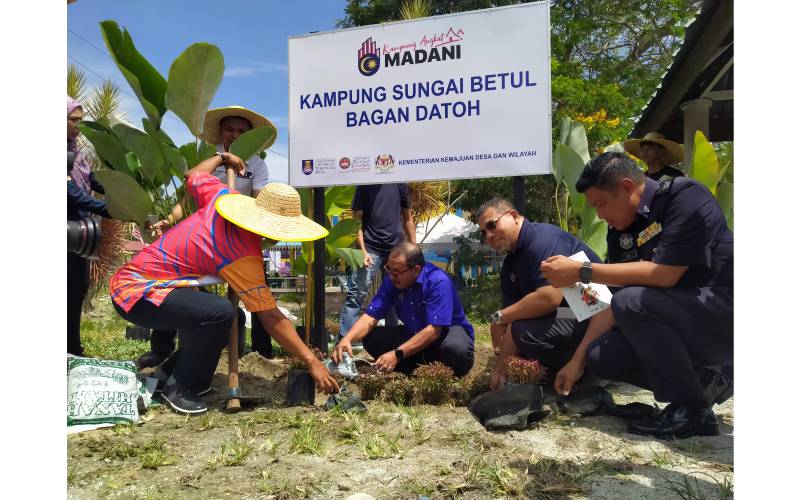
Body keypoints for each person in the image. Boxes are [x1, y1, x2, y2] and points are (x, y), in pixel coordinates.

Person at [109, 152, 338, 414]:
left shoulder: (223, 197)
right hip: (137, 293)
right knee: (221, 312)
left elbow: (193, 176)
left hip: (148, 287)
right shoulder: (242, 255)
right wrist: (310, 360)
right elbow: (270, 316)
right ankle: (181, 386)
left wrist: (220, 158)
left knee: (234, 318)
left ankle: (166, 374)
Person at [541, 152, 733, 439]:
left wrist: (582, 272)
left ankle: (692, 410)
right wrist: (577, 361)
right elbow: (612, 304)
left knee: (632, 301)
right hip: (679, 322)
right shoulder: (621, 233)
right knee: (602, 355)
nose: (601, 215)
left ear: (628, 187)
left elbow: (664, 275)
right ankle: (705, 384)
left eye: (602, 204)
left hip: (722, 317)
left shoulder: (685, 197)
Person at [138, 106, 278, 369]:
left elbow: (258, 200)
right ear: (221, 133)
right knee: (178, 286)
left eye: (241, 131)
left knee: (258, 290)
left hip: (236, 238)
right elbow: (188, 192)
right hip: (203, 238)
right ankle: (162, 348)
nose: (235, 135)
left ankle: (262, 352)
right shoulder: (210, 158)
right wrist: (169, 220)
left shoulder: (258, 165)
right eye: (229, 129)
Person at [475, 199, 602, 391]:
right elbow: (512, 321)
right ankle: (555, 373)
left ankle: (588, 370)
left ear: (514, 216)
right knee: (519, 333)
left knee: (523, 332)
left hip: (597, 318)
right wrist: (501, 367)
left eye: (492, 225)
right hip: (567, 318)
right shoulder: (511, 261)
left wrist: (499, 317)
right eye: (483, 232)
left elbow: (549, 298)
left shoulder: (542, 240)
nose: (489, 235)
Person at [333, 242, 474, 377]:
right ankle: (417, 365)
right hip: (414, 335)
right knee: (372, 338)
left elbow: (434, 331)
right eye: (388, 269)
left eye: (396, 272)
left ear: (416, 270)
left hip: (444, 335)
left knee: (456, 349)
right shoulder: (391, 282)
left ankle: (446, 369)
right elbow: (371, 316)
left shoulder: (437, 281)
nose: (391, 276)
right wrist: (347, 339)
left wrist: (397, 353)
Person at [339, 183, 416, 340]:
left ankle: (392, 341)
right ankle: (343, 343)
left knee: (394, 293)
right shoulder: (364, 185)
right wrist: (363, 252)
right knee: (356, 293)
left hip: (396, 249)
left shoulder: (399, 183)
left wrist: (414, 251)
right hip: (370, 249)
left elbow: (408, 218)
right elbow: (356, 224)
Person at [67, 96, 112, 356]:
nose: (78, 126)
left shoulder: (76, 153)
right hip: (67, 230)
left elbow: (90, 180)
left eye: (80, 121)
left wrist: (121, 189)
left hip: (79, 234)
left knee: (77, 288)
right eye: (73, 120)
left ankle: (73, 349)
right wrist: (107, 208)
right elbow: (70, 191)